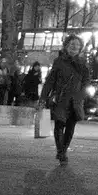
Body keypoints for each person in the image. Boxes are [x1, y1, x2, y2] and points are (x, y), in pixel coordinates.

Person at [40, 35, 90, 163]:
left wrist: (82, 96)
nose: (74, 47)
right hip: (61, 98)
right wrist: (43, 98)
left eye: (77, 45)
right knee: (59, 124)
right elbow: (50, 81)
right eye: (72, 44)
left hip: (75, 99)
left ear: (80, 48)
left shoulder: (83, 63)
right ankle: (61, 151)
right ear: (66, 46)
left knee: (70, 126)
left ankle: (64, 148)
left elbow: (86, 82)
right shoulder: (59, 61)